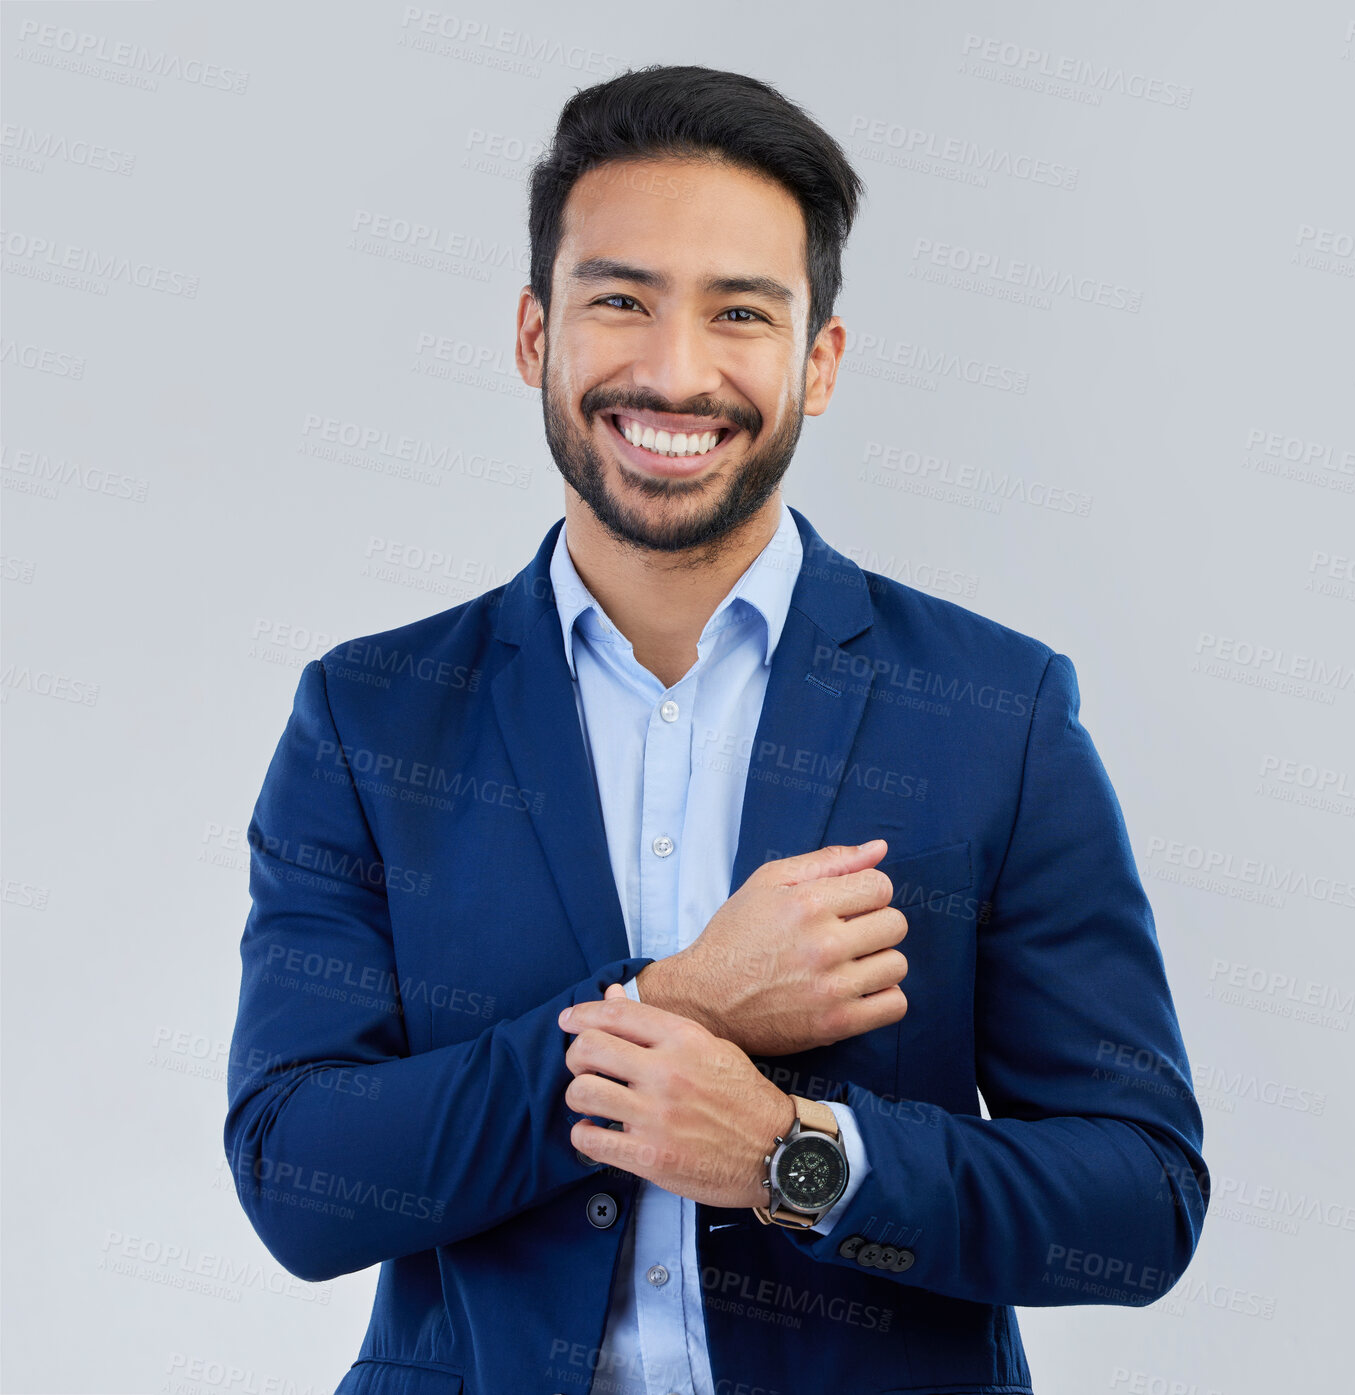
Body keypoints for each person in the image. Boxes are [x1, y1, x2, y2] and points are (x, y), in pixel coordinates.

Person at [225, 63, 1207, 1395]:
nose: (674, 372)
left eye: (739, 313)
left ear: (819, 360)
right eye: (618, 300)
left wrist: (792, 1157)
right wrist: (673, 1001)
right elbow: (300, 1179)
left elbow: (1136, 1201)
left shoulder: (995, 713)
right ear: (535, 336)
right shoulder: (370, 715)